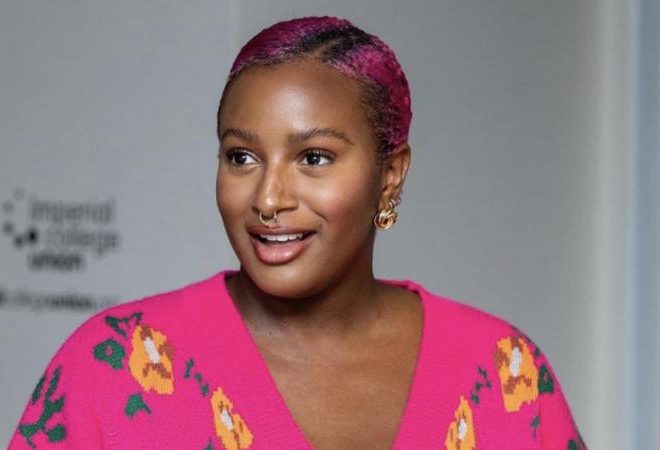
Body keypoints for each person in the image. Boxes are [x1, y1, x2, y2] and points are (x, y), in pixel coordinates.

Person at [8, 16, 585, 450]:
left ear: (390, 175)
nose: (268, 199)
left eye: (313, 158)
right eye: (241, 157)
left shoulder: (505, 374)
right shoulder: (113, 367)